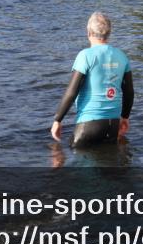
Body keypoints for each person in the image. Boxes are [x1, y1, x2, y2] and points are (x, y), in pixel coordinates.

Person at [50, 12, 133, 149]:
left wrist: (57, 120)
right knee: (108, 163)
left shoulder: (85, 56)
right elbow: (129, 92)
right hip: (112, 125)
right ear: (109, 33)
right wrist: (125, 117)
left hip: (89, 124)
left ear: (88, 32)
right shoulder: (122, 56)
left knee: (67, 156)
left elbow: (72, 92)